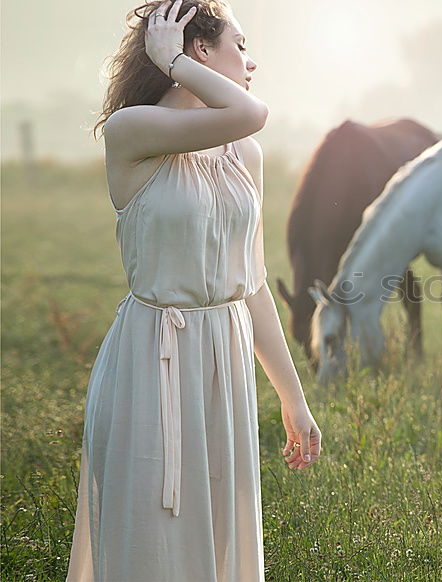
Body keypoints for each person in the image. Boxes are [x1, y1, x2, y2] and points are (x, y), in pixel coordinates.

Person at [66, 1, 321, 579]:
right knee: (151, 540)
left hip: (223, 360)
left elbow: (252, 284)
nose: (252, 63)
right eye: (240, 46)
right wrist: (172, 60)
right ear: (197, 51)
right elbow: (251, 110)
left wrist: (292, 397)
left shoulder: (242, 154)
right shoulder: (133, 131)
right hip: (151, 359)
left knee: (220, 538)